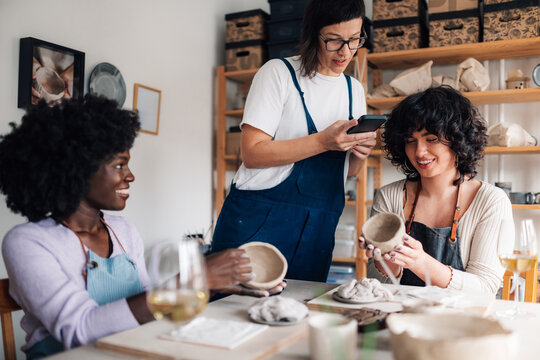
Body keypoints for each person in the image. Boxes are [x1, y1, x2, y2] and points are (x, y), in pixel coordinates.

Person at [0, 95, 283, 359]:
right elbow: (79, 329)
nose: (130, 176)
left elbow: (152, 308)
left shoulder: (123, 231)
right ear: (78, 169)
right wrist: (195, 280)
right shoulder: (27, 242)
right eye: (120, 165)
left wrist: (216, 286)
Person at [211, 0, 376, 282]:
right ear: (314, 33)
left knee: (299, 318)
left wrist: (360, 154)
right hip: (258, 223)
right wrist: (323, 141)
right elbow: (252, 154)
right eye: (334, 41)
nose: (346, 51)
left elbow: (345, 173)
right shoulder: (278, 74)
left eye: (354, 39)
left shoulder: (354, 91)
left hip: (317, 232)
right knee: (234, 316)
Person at [359, 86, 514, 295]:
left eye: (431, 139)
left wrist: (421, 264)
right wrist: (387, 262)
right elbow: (375, 285)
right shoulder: (389, 196)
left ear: (458, 140)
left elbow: (484, 289)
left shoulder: (491, 201)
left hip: (462, 323)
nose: (420, 151)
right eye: (410, 141)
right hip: (402, 318)